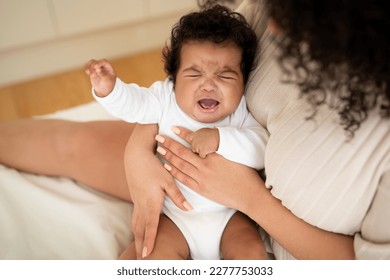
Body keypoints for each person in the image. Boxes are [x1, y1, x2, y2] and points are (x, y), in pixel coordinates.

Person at [1, 0, 389, 259]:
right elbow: (191, 70)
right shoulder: (274, 11)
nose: (271, 23)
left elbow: (367, 266)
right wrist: (137, 153)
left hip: (244, 214)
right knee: (68, 144)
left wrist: (249, 198)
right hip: (176, 176)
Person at [85, 5, 268, 260]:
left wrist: (220, 138)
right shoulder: (164, 99)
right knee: (151, 257)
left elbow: (261, 148)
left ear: (243, 81)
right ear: (174, 77)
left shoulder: (240, 112)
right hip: (175, 218)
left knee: (252, 255)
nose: (209, 84)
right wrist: (110, 89)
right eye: (194, 73)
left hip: (230, 216)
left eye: (225, 76)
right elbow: (134, 105)